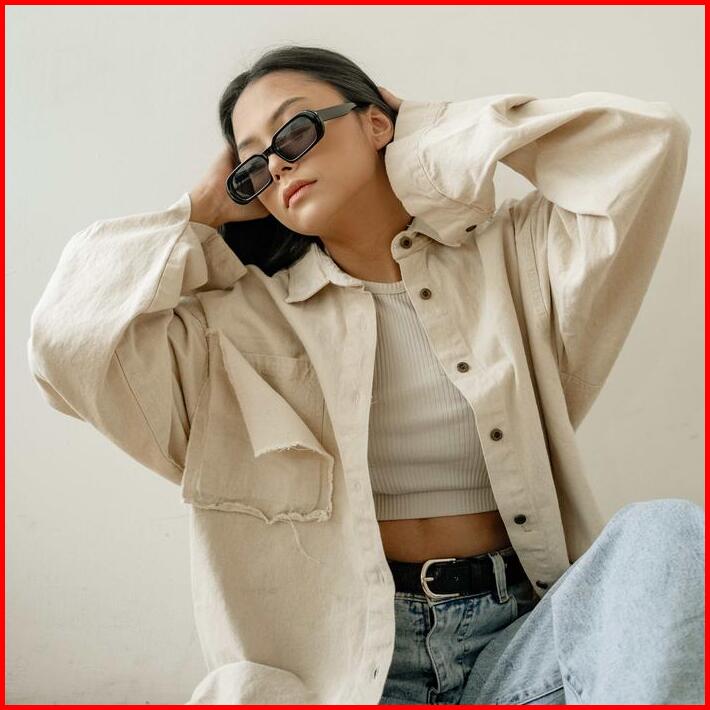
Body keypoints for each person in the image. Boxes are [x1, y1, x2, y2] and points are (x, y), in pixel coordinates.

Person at [27, 44, 701, 705]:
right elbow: (66, 340)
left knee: (666, 533)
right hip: (351, 672)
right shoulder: (235, 327)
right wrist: (200, 208)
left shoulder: (513, 261)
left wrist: (433, 132)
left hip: (519, 649)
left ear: (377, 123)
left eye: (293, 132)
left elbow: (650, 142)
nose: (277, 165)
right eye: (252, 166)